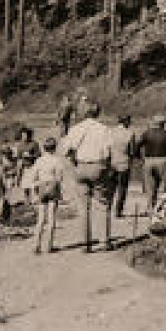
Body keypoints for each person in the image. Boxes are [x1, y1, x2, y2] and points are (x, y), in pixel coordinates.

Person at [62, 100, 114, 253]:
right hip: (98, 166)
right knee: (102, 204)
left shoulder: (76, 129)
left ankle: (86, 243)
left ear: (84, 113)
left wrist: (74, 161)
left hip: (80, 167)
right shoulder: (104, 129)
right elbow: (108, 152)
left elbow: (66, 150)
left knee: (83, 207)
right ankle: (104, 241)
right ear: (97, 113)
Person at [21, 137, 66, 254]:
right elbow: (59, 177)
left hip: (41, 186)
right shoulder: (57, 160)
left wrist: (36, 189)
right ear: (55, 148)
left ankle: (36, 246)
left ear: (44, 148)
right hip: (53, 187)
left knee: (41, 219)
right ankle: (49, 246)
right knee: (51, 218)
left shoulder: (39, 161)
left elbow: (33, 177)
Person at [135, 115, 166, 215]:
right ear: (163, 124)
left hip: (149, 161)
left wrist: (140, 159)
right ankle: (161, 209)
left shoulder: (147, 133)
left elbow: (137, 146)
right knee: (163, 186)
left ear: (154, 123)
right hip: (163, 160)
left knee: (150, 186)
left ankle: (150, 209)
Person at [108, 114, 137, 219]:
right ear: (126, 122)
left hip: (111, 163)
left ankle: (107, 209)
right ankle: (118, 212)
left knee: (111, 188)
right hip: (124, 164)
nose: (130, 123)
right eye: (129, 121)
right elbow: (133, 151)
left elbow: (106, 147)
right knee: (122, 188)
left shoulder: (110, 131)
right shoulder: (130, 133)